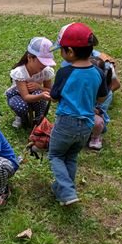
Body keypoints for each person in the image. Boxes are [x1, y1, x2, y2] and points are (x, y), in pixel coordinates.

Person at [49, 23, 108, 206]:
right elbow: (103, 96)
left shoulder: (65, 72)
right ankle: (63, 190)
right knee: (71, 157)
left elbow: (54, 96)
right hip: (87, 124)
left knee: (56, 155)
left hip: (66, 122)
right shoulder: (98, 71)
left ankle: (67, 191)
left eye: (62, 50)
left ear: (70, 52)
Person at [6, 37, 56, 129]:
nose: (45, 65)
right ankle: (22, 118)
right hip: (18, 95)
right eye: (42, 62)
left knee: (39, 94)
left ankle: (39, 118)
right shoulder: (20, 72)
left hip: (35, 94)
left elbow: (49, 90)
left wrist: (40, 88)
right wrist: (41, 95)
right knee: (21, 106)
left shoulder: (45, 71)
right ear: (30, 58)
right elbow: (25, 97)